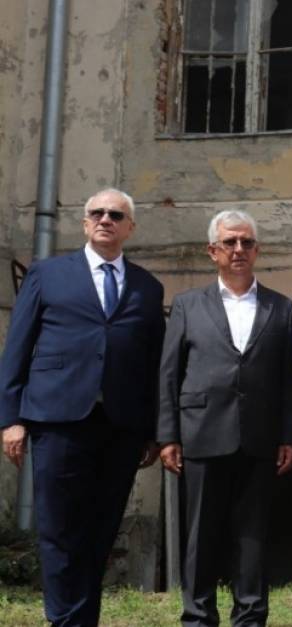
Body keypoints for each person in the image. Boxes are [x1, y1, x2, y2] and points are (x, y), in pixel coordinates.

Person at [0, 188, 165, 626]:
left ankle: (82, 619)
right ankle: (65, 620)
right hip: (58, 419)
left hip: (121, 426)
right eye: (97, 213)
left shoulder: (148, 287)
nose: (106, 219)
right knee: (59, 530)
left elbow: (152, 363)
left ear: (130, 227)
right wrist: (11, 419)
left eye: (116, 215)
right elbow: (17, 348)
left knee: (101, 530)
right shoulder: (47, 274)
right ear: (85, 222)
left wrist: (152, 430)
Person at [158, 210, 292, 626]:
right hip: (201, 432)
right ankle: (198, 615)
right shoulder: (188, 305)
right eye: (230, 242)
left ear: (257, 250)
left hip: (260, 436)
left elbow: (290, 379)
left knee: (253, 534)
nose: (238, 249)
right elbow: (169, 373)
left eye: (246, 242)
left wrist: (288, 436)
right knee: (200, 533)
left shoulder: (280, 307)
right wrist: (168, 435)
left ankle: (251, 615)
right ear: (213, 251)